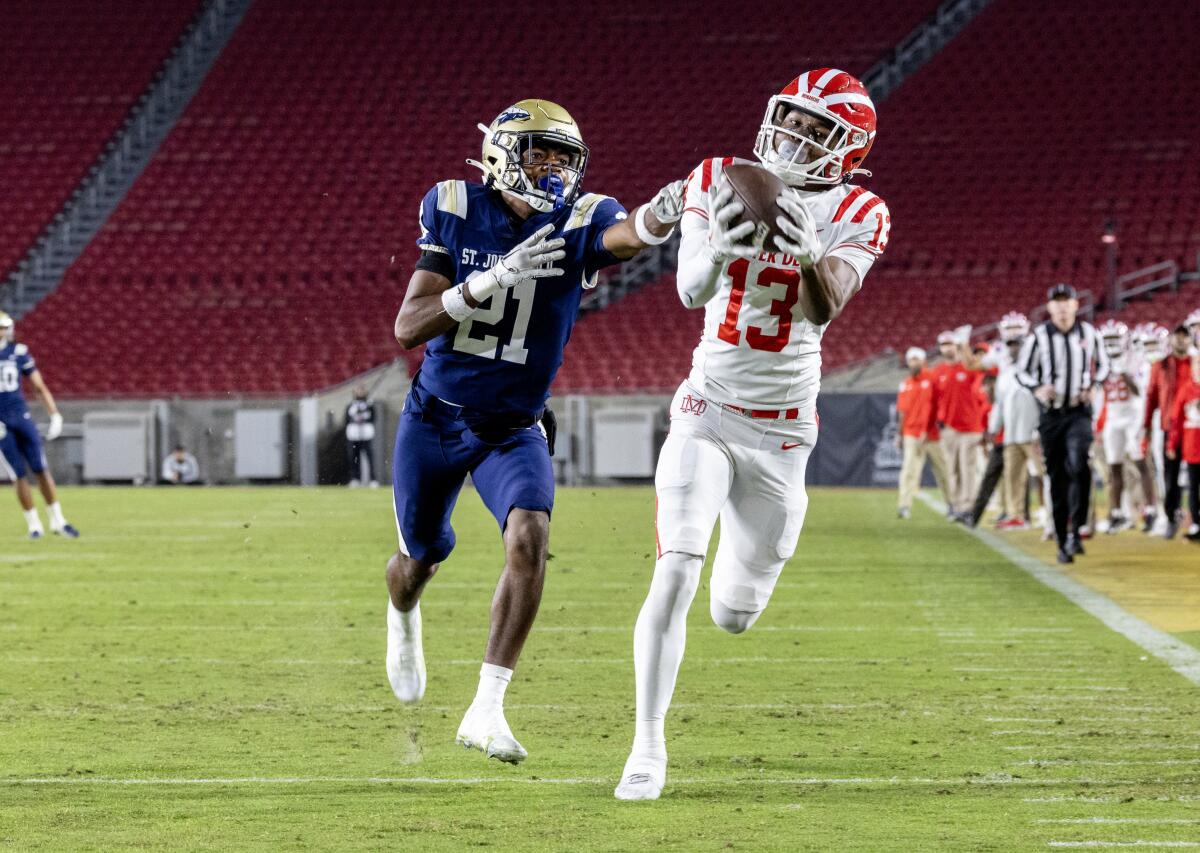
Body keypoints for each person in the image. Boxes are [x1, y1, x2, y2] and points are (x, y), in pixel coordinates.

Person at [615, 68, 891, 800]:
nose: (795, 137)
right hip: (708, 408)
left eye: (814, 129)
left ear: (848, 149)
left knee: (733, 612)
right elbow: (688, 289)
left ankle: (735, 594)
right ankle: (646, 748)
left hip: (783, 434)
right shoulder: (718, 176)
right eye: (791, 120)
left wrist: (800, 251)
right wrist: (722, 244)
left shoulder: (862, 209)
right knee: (674, 570)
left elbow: (826, 303)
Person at [385, 99, 684, 765]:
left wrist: (666, 211)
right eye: (539, 153)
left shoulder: (580, 216)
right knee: (419, 558)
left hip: (512, 428)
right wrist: (487, 281)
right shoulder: (456, 204)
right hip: (435, 417)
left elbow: (628, 233)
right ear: (501, 154)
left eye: (563, 157)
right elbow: (409, 326)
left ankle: (487, 706)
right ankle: (403, 610)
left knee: (531, 533)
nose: (552, 168)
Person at [1015, 284, 1109, 563]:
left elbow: (1103, 365)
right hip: (1052, 415)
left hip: (1079, 411)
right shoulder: (1039, 336)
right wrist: (1037, 388)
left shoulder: (1089, 334)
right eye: (1057, 302)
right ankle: (1061, 538)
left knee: (1079, 463)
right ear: (1050, 307)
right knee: (1057, 476)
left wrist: (1095, 385)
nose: (1062, 306)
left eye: (1066, 301)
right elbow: (1023, 371)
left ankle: (1076, 529)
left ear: (1075, 305)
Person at [0, 311, 79, 539]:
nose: (2, 332)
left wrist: (55, 414)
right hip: (1, 424)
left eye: (3, 327)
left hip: (21, 418)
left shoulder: (19, 352)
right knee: (18, 475)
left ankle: (58, 520)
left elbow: (39, 386)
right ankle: (34, 525)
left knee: (41, 468)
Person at [1096, 320, 1155, 532]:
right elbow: (1100, 395)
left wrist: (1123, 372)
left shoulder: (1136, 360)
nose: (1111, 344)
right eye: (1107, 340)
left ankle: (1151, 511)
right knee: (1114, 468)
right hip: (1113, 418)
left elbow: (1140, 391)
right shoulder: (1101, 362)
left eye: (1114, 339)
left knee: (1141, 465)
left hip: (1133, 417)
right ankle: (1116, 513)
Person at [988, 312, 1043, 530]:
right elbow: (1000, 403)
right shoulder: (1005, 372)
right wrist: (994, 427)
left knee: (1042, 475)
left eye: (1017, 344)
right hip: (1012, 433)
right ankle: (1016, 515)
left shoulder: (1037, 366)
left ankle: (1048, 513)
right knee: (1013, 477)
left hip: (1033, 432)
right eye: (1010, 344)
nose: (1014, 348)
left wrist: (1042, 427)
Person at [1144, 324, 1194, 538]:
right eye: (1178, 336)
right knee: (1170, 476)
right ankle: (1172, 515)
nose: (1181, 340)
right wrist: (1145, 427)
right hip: (1169, 427)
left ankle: (1195, 519)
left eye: (1185, 336)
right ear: (1171, 339)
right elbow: (1151, 397)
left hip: (1193, 427)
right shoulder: (1160, 366)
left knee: (1195, 475)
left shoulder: (1196, 363)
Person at [936, 327, 985, 521]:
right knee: (952, 469)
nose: (948, 348)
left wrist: (965, 346)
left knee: (968, 469)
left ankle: (968, 506)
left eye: (951, 344)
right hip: (948, 428)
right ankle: (955, 505)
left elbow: (975, 367)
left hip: (971, 427)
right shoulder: (938, 371)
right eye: (944, 344)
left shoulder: (968, 367)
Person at [895, 347, 949, 518]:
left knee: (944, 471)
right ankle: (904, 506)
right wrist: (900, 434)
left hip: (933, 434)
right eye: (911, 359)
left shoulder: (933, 379)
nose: (914, 362)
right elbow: (902, 412)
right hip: (911, 433)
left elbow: (940, 404)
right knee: (909, 471)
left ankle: (953, 505)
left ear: (924, 360)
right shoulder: (906, 384)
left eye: (917, 359)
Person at [1166, 349, 1200, 540]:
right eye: (1197, 365)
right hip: (1192, 448)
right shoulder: (1186, 390)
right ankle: (1196, 523)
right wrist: (1172, 444)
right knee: (1193, 488)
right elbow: (1176, 420)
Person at [345, 385, 377, 487]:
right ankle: (355, 478)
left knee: (369, 457)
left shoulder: (369, 405)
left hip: (366, 435)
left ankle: (373, 479)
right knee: (354, 457)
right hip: (354, 435)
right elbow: (346, 420)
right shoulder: (351, 406)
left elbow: (373, 418)